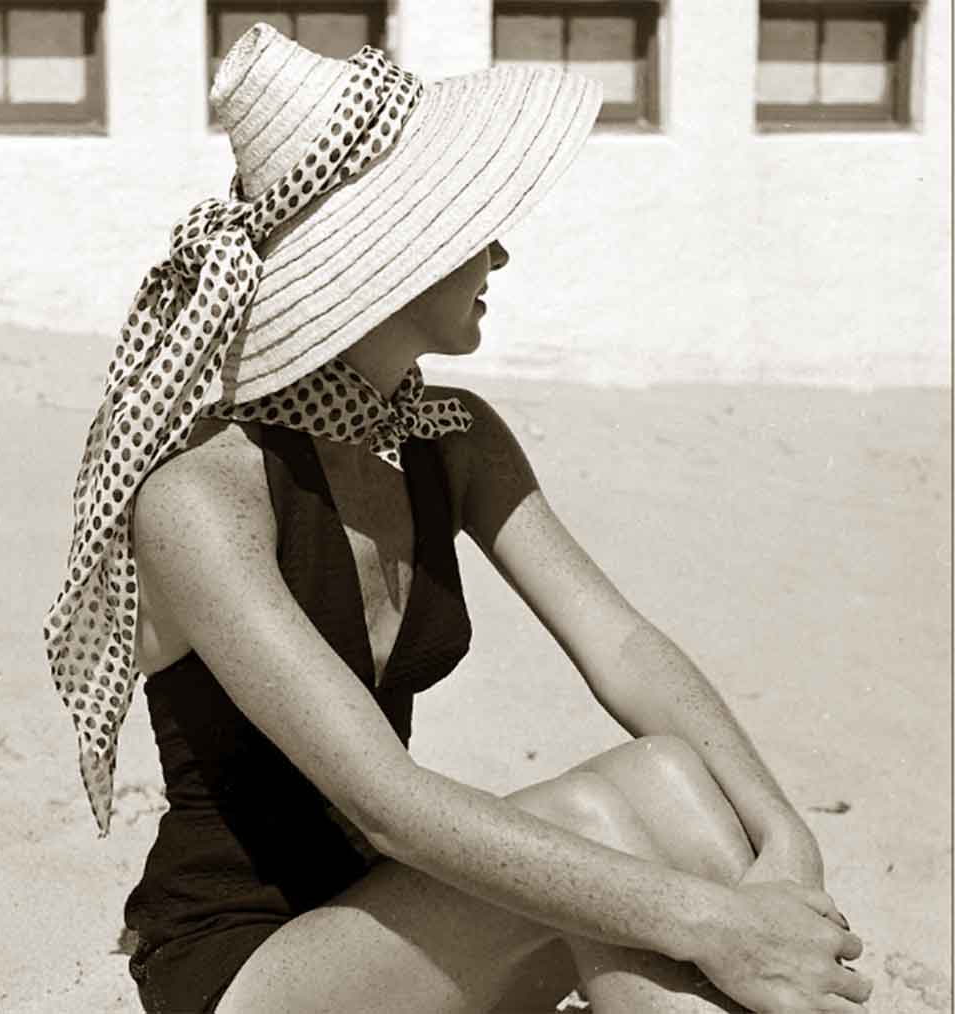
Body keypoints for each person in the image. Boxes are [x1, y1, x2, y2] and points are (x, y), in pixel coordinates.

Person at [43, 23, 873, 1014]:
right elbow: (382, 803)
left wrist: (785, 836)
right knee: (620, 831)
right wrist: (710, 918)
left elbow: (625, 646)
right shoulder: (202, 500)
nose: (502, 253)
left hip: (405, 923)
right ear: (395, 259)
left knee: (671, 778)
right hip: (247, 970)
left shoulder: (450, 438)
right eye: (471, 230)